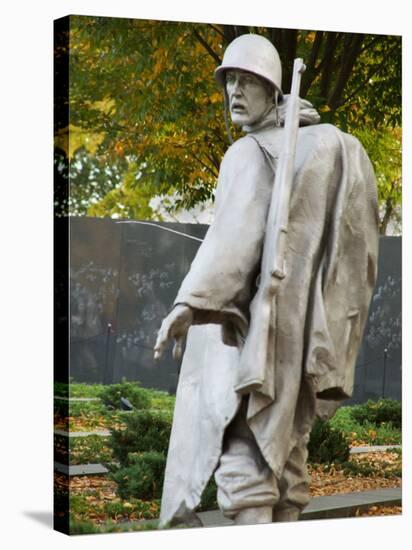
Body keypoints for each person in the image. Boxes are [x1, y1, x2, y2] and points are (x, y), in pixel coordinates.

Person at [154, 34, 379, 527]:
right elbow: (357, 252)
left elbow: (233, 242)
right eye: (229, 80)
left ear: (274, 90)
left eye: (247, 81)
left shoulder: (249, 152)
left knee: (245, 464)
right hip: (305, 345)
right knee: (287, 465)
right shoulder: (335, 149)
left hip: (248, 339)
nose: (235, 90)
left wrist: (188, 305)